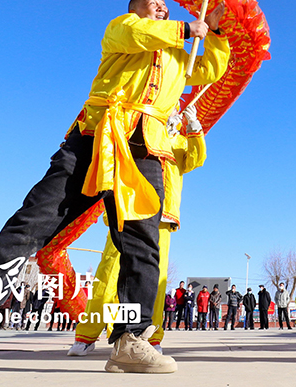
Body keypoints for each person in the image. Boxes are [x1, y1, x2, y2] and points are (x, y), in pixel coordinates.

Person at [0, 0, 229, 377]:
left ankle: (132, 339)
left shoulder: (179, 56)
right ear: (135, 10)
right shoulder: (122, 29)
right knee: (33, 221)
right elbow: (141, 34)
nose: (161, 6)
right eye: (151, 2)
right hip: (96, 138)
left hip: (148, 150)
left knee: (142, 249)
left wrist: (214, 31)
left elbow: (209, 69)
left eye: (165, 5)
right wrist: (184, 27)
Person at [69, 105, 207, 356]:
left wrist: (195, 128)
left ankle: (146, 335)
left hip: (163, 218)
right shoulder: (138, 127)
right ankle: (87, 334)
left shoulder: (180, 142)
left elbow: (195, 160)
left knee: (151, 280)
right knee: (108, 275)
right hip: (129, 209)